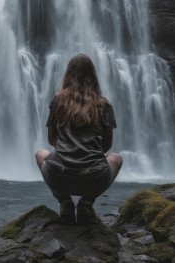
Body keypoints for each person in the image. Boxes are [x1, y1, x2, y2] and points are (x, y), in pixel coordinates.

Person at [35, 54, 123, 225]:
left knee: (40, 154)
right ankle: (86, 204)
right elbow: (107, 145)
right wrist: (87, 153)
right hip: (94, 179)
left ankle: (65, 204)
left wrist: (69, 149)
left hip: (58, 177)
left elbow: (52, 140)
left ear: (68, 75)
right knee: (117, 158)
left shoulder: (58, 101)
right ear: (93, 76)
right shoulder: (104, 105)